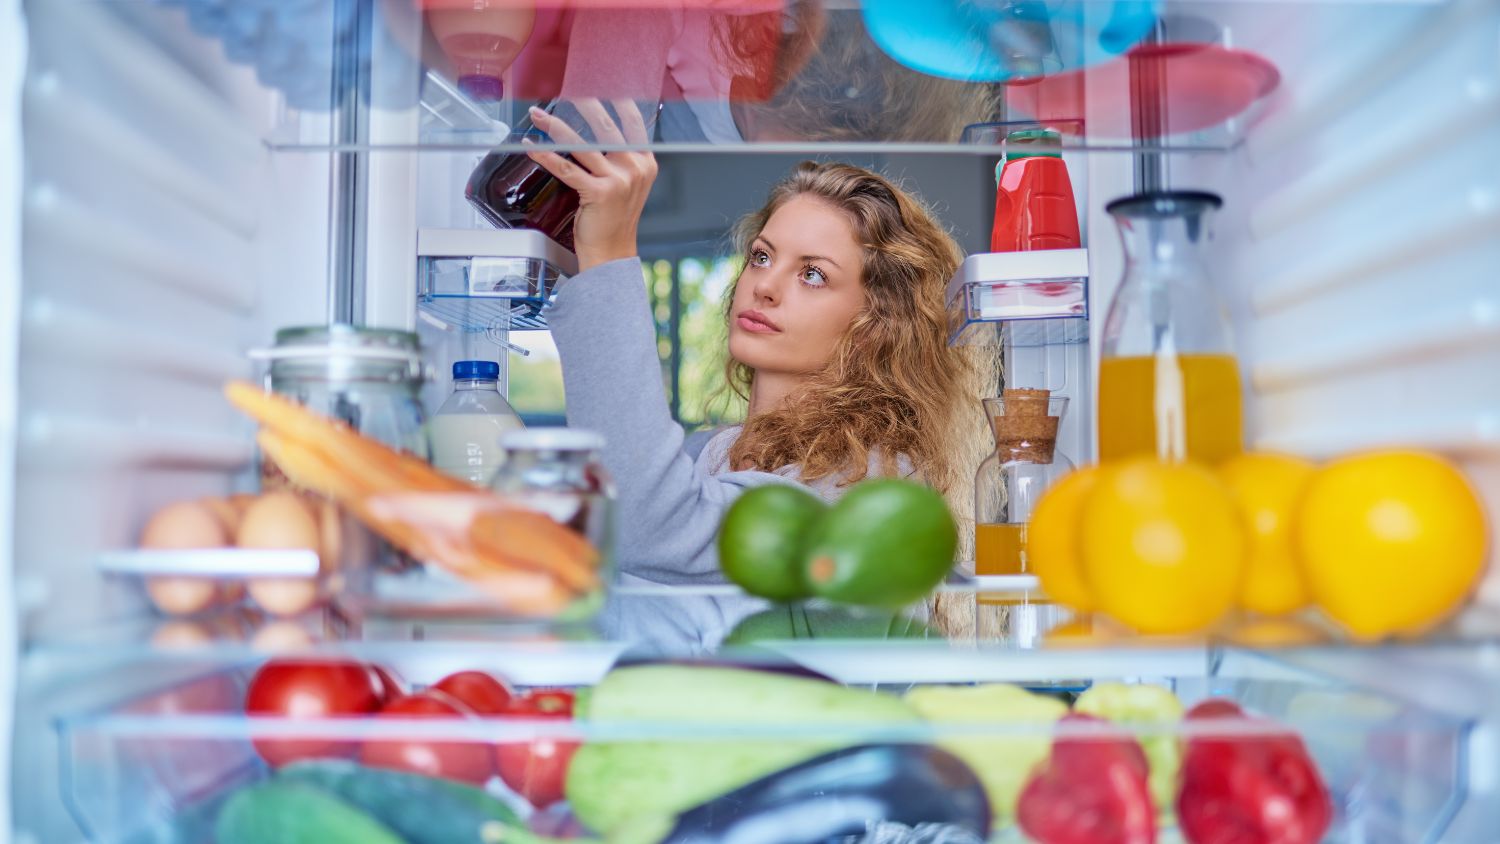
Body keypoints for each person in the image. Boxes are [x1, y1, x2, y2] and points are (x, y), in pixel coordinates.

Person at [527, 100, 997, 645]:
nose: (766, 286)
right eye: (762, 256)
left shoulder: (868, 483)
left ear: (876, 326)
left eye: (814, 274)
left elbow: (648, 523)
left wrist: (608, 257)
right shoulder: (711, 454)